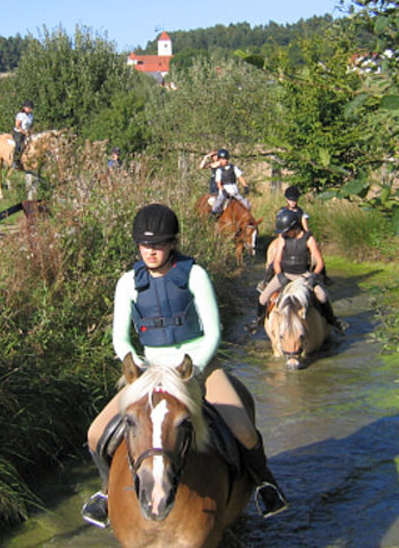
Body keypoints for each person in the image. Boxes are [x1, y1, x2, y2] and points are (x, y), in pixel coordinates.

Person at [81, 204, 288, 528]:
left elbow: (213, 331)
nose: (151, 251)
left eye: (159, 244)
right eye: (145, 245)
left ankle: (265, 484)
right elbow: (121, 338)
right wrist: (133, 366)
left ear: (172, 243)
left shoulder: (194, 275)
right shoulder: (127, 283)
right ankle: (107, 494)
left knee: (243, 430)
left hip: (197, 366)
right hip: (150, 370)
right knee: (96, 433)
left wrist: (192, 369)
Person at [250, 208, 346, 332]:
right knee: (263, 297)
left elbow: (320, 263)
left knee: (322, 296)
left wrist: (313, 276)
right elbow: (277, 261)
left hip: (304, 275)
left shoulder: (309, 239)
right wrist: (280, 275)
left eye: (287, 231)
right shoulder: (283, 239)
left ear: (294, 227)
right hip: (285, 273)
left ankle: (332, 320)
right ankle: (258, 321)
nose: (284, 234)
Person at [206, 148, 251, 216]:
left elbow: (240, 177)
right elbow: (218, 183)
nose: (224, 161)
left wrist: (245, 186)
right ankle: (213, 215)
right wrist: (223, 190)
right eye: (222, 159)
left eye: (225, 159)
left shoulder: (234, 168)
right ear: (220, 160)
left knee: (247, 205)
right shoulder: (219, 170)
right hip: (224, 192)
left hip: (234, 192)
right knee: (218, 204)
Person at [12, 100, 33, 170]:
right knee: (18, 145)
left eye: (30, 108)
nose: (30, 109)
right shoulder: (20, 115)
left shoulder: (31, 116)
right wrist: (24, 132)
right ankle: (14, 161)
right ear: (24, 108)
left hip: (26, 132)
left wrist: (30, 131)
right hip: (18, 133)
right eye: (28, 107)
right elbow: (17, 125)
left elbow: (30, 126)